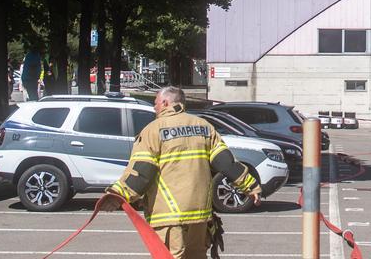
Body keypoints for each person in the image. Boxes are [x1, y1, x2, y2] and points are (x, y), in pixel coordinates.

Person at [104, 86, 259, 259]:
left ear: (165, 102)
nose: (154, 107)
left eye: (155, 103)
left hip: (169, 217)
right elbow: (226, 163)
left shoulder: (153, 130)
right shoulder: (204, 127)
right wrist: (251, 186)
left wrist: (117, 194)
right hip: (200, 217)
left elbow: (142, 172)